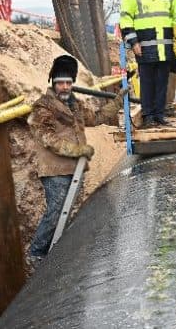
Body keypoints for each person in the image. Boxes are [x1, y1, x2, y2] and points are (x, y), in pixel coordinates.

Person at [27, 55, 126, 261]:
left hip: (75, 169)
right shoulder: (43, 107)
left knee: (66, 211)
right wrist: (76, 150)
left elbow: (96, 117)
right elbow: (47, 138)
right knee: (56, 211)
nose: (64, 87)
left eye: (68, 83)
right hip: (55, 170)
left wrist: (117, 102)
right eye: (60, 83)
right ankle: (36, 254)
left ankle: (55, 253)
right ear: (53, 83)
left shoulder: (76, 105)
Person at [120, 0, 176, 128]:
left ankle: (159, 115)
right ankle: (148, 116)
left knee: (162, 83)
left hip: (165, 47)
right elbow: (125, 18)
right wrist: (133, 42)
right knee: (147, 82)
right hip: (143, 47)